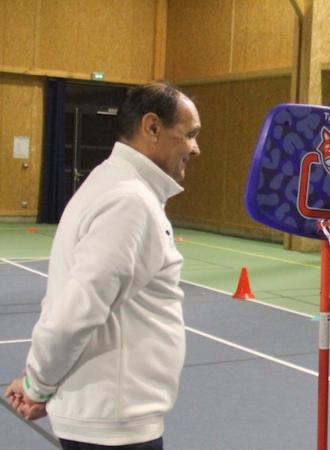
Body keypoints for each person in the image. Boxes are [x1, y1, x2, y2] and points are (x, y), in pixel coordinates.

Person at [3, 82, 201, 450]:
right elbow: (76, 311)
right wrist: (37, 384)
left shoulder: (115, 185)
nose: (195, 147)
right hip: (114, 424)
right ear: (152, 127)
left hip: (109, 416)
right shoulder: (129, 201)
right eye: (190, 135)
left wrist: (37, 381)